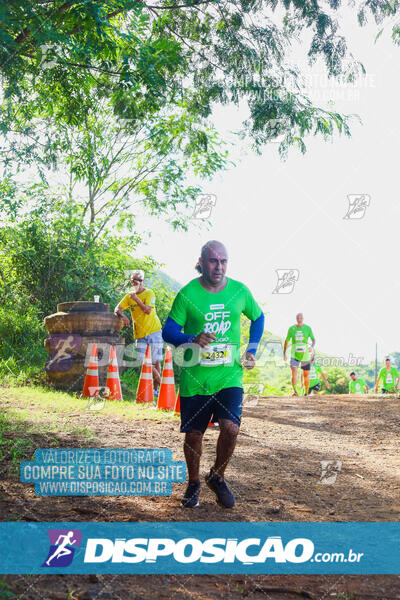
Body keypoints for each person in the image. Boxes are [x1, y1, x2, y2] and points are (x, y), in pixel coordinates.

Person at [162, 240, 264, 509]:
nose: (219, 267)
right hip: (196, 378)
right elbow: (168, 332)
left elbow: (258, 317)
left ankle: (217, 477)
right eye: (213, 261)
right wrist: (191, 338)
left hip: (229, 375)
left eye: (224, 261)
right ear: (202, 262)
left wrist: (251, 349)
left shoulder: (240, 291)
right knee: (194, 435)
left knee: (231, 427)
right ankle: (194, 482)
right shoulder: (187, 295)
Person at [115, 270, 163, 395]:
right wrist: (123, 316)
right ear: (131, 282)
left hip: (154, 331)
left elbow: (147, 310)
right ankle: (164, 386)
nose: (137, 283)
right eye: (135, 280)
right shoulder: (128, 296)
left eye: (140, 280)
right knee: (144, 362)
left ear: (143, 281)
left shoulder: (149, 293)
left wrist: (136, 299)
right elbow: (117, 308)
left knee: (156, 361)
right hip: (140, 335)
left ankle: (156, 390)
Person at [283, 313, 315, 396]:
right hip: (294, 354)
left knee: (305, 375)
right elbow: (286, 341)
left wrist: (311, 347)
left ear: (303, 318)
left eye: (301, 318)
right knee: (294, 372)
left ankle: (306, 392)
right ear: (296, 319)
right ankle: (295, 392)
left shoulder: (308, 328)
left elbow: (313, 339)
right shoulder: (291, 329)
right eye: (298, 318)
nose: (299, 319)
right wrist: (284, 353)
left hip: (305, 355)